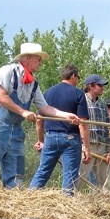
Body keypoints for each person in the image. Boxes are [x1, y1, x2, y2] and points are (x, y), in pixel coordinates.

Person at [0, 43, 80, 191]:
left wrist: (67, 116)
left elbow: (45, 108)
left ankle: (12, 205)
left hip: (16, 129)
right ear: (27, 57)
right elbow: (0, 96)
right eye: (38, 59)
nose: (40, 62)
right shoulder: (7, 71)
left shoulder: (33, 83)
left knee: (16, 172)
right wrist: (23, 112)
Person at [29, 64, 91, 195]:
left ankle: (29, 198)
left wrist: (41, 140)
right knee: (69, 176)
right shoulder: (78, 93)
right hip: (71, 139)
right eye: (78, 77)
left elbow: (39, 119)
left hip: (50, 137)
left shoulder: (48, 92)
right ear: (73, 76)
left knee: (43, 171)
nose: (78, 80)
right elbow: (83, 124)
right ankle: (65, 206)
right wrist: (86, 148)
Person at [75, 74, 110, 192]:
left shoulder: (102, 104)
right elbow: (78, 124)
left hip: (102, 146)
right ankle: (72, 200)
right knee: (81, 176)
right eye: (99, 85)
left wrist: (109, 150)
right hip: (87, 145)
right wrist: (82, 145)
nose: (102, 88)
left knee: (105, 180)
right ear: (90, 86)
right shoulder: (82, 101)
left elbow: (107, 128)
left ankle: (108, 204)